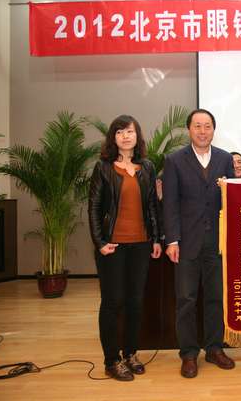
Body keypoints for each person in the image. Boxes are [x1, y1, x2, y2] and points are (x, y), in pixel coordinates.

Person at [163, 108, 236, 379]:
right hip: (186, 242)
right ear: (189, 129)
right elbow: (170, 204)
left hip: (218, 242)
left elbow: (234, 200)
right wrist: (172, 240)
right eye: (197, 126)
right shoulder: (174, 160)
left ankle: (215, 349)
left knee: (216, 297)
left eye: (207, 126)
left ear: (213, 130)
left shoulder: (225, 158)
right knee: (186, 299)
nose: (202, 131)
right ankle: (189, 354)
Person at [88, 115, 162, 381]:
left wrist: (156, 238)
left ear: (137, 135)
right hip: (113, 246)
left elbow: (152, 206)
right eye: (119, 132)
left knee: (135, 302)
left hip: (141, 244)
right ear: (113, 138)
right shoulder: (103, 167)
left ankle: (130, 353)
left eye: (129, 131)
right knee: (112, 302)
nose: (125, 136)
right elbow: (94, 208)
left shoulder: (147, 167)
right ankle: (111, 360)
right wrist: (100, 242)